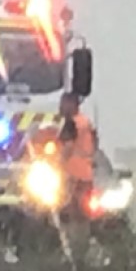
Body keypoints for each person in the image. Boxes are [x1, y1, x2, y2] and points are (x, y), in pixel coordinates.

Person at [57, 92, 95, 220]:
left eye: (63, 104)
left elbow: (68, 147)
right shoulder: (84, 121)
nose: (60, 107)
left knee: (69, 209)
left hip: (73, 174)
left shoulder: (71, 124)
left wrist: (58, 164)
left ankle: (71, 235)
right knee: (84, 211)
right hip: (87, 173)